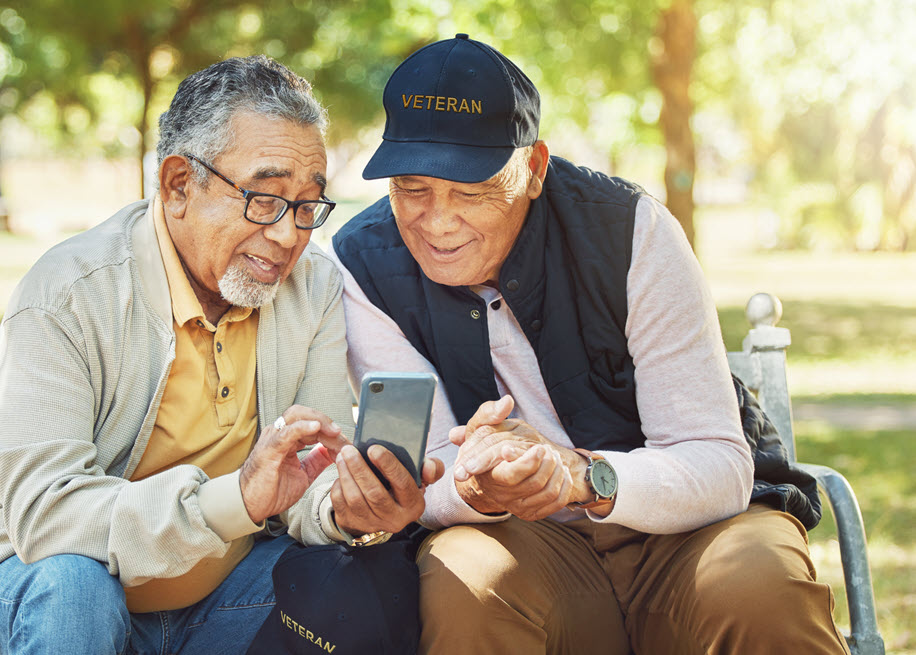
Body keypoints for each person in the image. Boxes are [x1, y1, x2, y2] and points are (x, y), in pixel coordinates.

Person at [331, 34, 849, 654]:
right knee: (466, 580)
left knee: (760, 584)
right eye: (411, 189)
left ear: (534, 168)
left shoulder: (631, 232)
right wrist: (471, 484)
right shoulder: (362, 265)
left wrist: (579, 475)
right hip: (523, 543)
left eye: (470, 190)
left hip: (689, 530)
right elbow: (425, 473)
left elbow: (716, 462)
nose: (438, 222)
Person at [0, 55, 440, 655]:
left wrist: (347, 508)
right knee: (74, 587)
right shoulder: (70, 292)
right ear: (179, 185)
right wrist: (232, 500)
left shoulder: (311, 287)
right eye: (265, 199)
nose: (291, 234)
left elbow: (306, 482)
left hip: (220, 604)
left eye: (307, 206)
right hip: (42, 589)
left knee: (361, 583)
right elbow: (48, 519)